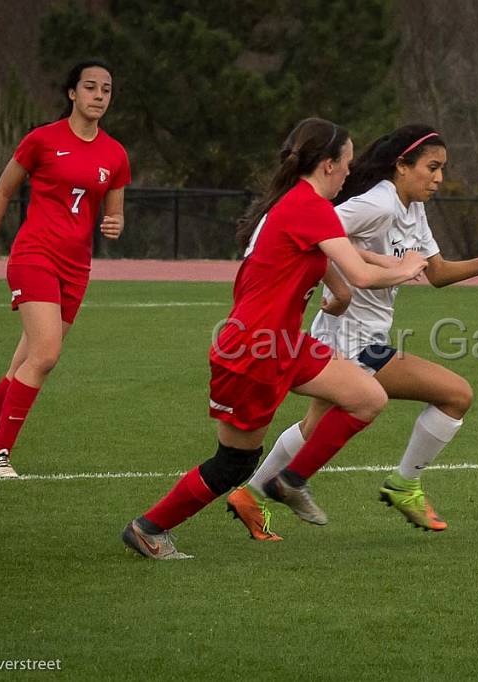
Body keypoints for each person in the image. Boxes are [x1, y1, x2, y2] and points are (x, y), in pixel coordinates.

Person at [122, 117, 427, 560]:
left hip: (282, 343)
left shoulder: (298, 203)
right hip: (254, 349)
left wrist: (340, 294)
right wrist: (406, 266)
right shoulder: (309, 207)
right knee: (234, 462)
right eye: (346, 161)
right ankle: (149, 528)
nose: (349, 170)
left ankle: (290, 479)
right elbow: (360, 271)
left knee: (367, 398)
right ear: (326, 165)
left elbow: (339, 257)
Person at [227, 124, 478, 537]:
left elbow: (438, 273)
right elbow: (316, 229)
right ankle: (404, 483)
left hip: (357, 336)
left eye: (443, 168)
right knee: (455, 394)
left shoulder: (413, 209)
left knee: (314, 427)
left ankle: (250, 494)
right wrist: (348, 283)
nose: (439, 178)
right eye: (432, 167)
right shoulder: (380, 203)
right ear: (402, 166)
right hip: (349, 339)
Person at [0, 60, 130, 479]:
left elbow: (114, 214)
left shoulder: (116, 154)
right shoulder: (42, 140)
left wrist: (115, 223)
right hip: (34, 256)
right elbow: (1, 193)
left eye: (106, 89)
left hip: (76, 267)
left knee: (24, 365)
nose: (99, 95)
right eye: (90, 87)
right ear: (72, 93)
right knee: (46, 355)